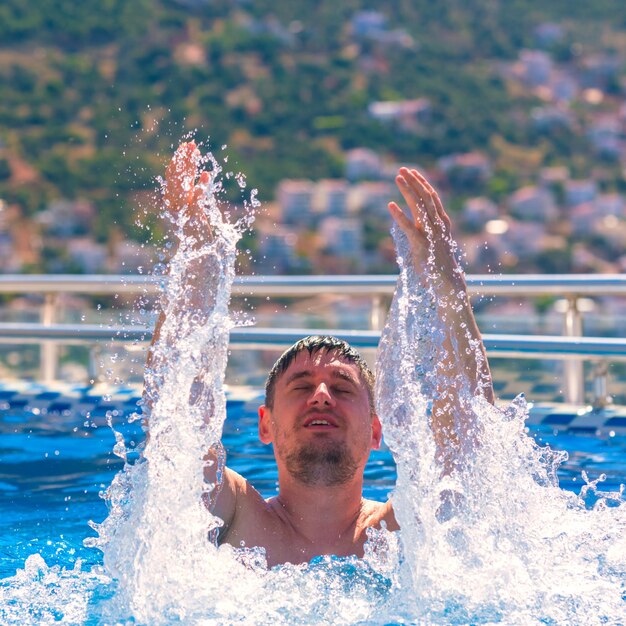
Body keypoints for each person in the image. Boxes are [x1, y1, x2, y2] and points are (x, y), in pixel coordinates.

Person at [145, 142, 494, 568]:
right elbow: (174, 425)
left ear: (375, 431)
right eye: (302, 385)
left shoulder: (406, 530)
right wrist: (195, 254)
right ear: (266, 424)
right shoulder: (235, 515)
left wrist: (448, 285)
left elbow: (469, 436)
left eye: (343, 388)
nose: (322, 396)